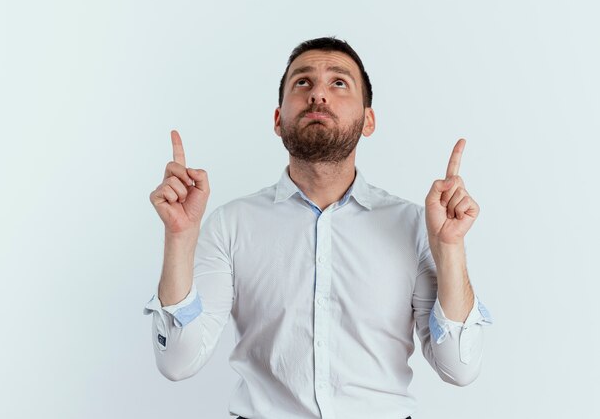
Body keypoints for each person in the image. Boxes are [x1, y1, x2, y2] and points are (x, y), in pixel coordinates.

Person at [144, 36, 493, 419]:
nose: (318, 95)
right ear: (278, 120)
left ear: (369, 119)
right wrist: (179, 238)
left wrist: (450, 248)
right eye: (303, 83)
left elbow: (459, 368)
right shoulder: (232, 225)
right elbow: (177, 362)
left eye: (339, 83)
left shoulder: (415, 226)